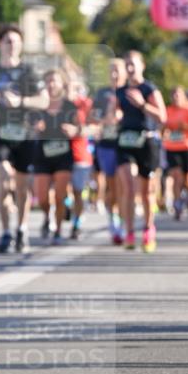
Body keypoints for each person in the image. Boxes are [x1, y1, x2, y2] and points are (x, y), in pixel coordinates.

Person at [0, 24, 46, 254]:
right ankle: (6, 231)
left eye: (17, 42)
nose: (13, 45)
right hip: (2, 134)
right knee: (4, 178)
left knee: (21, 187)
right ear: (0, 44)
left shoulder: (29, 71)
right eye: (8, 41)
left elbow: (44, 100)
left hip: (25, 135)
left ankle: (22, 228)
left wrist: (20, 101)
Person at [115, 50, 166, 252]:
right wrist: (113, 114)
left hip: (146, 141)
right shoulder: (120, 91)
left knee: (146, 192)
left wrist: (142, 104)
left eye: (133, 64)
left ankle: (148, 228)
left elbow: (162, 117)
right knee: (128, 187)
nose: (129, 68)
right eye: (126, 65)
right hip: (125, 141)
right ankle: (129, 232)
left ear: (141, 66)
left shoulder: (149, 89)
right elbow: (114, 112)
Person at [31, 69, 80, 244]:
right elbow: (28, 126)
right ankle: (47, 215)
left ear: (62, 84)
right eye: (48, 81)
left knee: (60, 196)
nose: (51, 85)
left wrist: (74, 130)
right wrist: (35, 128)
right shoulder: (38, 106)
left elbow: (80, 128)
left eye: (55, 81)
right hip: (42, 155)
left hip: (63, 155)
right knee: (42, 198)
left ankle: (58, 231)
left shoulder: (69, 106)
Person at [90, 58, 126, 244]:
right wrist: (107, 119)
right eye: (111, 70)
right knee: (113, 186)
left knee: (125, 185)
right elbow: (93, 118)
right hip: (106, 144)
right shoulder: (102, 94)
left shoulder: (129, 92)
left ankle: (125, 220)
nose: (114, 74)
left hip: (126, 145)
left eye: (117, 70)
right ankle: (114, 219)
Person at [67, 78, 93, 241]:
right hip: (58, 154)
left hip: (79, 154)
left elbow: (94, 127)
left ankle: (76, 223)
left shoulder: (84, 104)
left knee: (77, 191)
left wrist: (76, 130)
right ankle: (61, 210)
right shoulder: (55, 102)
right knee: (57, 189)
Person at [163, 86, 188, 220]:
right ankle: (178, 203)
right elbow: (163, 128)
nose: (175, 97)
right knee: (176, 176)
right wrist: (165, 131)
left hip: (186, 147)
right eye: (173, 95)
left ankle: (185, 197)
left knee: (186, 179)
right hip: (172, 148)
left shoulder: (187, 109)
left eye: (178, 94)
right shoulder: (168, 110)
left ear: (184, 96)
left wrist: (184, 127)